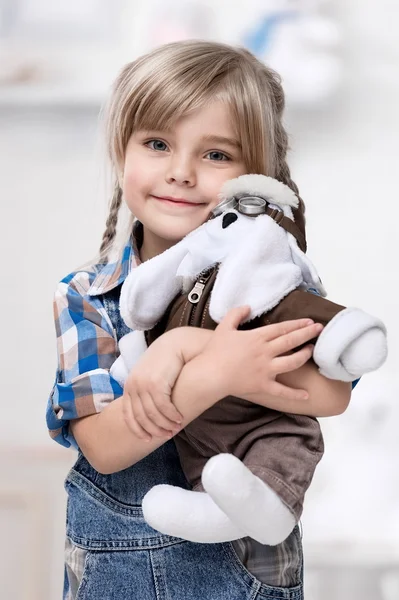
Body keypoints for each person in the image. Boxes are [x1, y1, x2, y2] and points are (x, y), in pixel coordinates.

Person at [46, 40, 351, 600]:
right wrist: (215, 372)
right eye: (158, 143)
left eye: (216, 155)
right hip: (121, 574)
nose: (181, 173)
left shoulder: (272, 280)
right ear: (123, 151)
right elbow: (107, 448)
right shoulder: (90, 295)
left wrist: (183, 347)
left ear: (254, 175)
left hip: (249, 575)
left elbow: (331, 393)